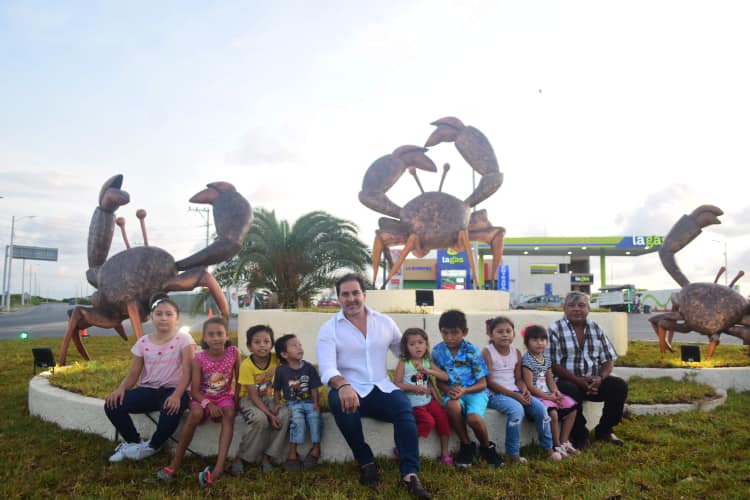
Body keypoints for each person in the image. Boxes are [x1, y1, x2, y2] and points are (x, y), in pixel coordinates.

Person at [316, 273, 431, 498]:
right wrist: (342, 386)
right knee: (339, 403)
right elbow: (327, 369)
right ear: (339, 298)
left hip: (382, 387)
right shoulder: (329, 329)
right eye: (345, 294)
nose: (351, 298)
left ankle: (410, 474)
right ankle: (366, 463)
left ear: (364, 295)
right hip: (351, 389)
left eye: (355, 293)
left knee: (403, 409)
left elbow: (404, 352)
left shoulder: (384, 322)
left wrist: (426, 367)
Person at [104, 293, 195, 462]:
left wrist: (176, 395)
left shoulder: (184, 339)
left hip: (174, 390)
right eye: (159, 314)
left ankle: (153, 446)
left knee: (171, 409)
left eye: (169, 314)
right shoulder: (143, 342)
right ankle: (134, 443)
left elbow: (188, 372)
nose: (163, 318)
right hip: (148, 389)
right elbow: (134, 373)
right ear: (151, 317)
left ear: (177, 318)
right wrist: (121, 389)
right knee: (112, 405)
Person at [156, 317, 241, 487]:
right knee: (195, 413)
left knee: (229, 413)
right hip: (202, 397)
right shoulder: (198, 359)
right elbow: (194, 391)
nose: (216, 338)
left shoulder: (233, 353)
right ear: (204, 338)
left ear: (226, 336)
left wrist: (236, 402)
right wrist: (208, 404)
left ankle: (219, 466)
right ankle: (175, 462)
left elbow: (239, 381)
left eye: (219, 334)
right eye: (211, 334)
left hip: (225, 397)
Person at [548, 291, 629, 449]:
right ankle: (580, 435)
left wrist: (601, 378)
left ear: (588, 308)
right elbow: (553, 365)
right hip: (568, 381)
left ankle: (604, 431)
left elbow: (608, 358)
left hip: (594, 382)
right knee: (569, 389)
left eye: (581, 305)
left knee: (618, 386)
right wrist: (578, 381)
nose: (576, 309)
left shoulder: (595, 328)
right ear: (564, 308)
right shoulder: (555, 329)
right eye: (571, 306)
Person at [482, 317, 563, 464]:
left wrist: (524, 390)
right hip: (495, 394)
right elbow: (490, 382)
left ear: (514, 334)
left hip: (516, 392)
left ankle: (548, 448)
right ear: (491, 335)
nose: (505, 334)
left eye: (508, 331)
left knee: (541, 410)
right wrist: (514, 395)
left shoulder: (516, 352)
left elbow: (518, 379)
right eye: (499, 332)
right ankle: (514, 454)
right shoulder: (487, 352)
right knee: (516, 411)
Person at [431, 309, 504, 469]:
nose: (449, 338)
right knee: (452, 406)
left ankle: (486, 447)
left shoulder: (472, 351)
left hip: (475, 392)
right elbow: (438, 380)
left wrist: (465, 391)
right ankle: (466, 445)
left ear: (465, 332)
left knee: (474, 419)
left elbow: (483, 383)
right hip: (452, 394)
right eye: (445, 333)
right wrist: (447, 389)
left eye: (455, 333)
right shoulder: (437, 352)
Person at [231, 324, 290, 474]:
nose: (262, 345)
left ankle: (266, 457)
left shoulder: (276, 359)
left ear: (272, 344)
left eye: (266, 341)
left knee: (284, 414)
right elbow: (253, 396)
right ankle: (241, 457)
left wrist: (277, 404)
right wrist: (270, 415)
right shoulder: (247, 365)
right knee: (260, 419)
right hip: (249, 400)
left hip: (269, 399)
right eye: (257, 342)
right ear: (249, 347)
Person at [393, 328, 453, 465]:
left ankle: (444, 454)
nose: (417, 346)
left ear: (426, 344)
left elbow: (445, 376)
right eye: (412, 344)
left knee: (443, 418)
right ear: (406, 348)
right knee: (428, 422)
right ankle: (402, 447)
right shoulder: (404, 363)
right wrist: (415, 388)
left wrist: (428, 370)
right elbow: (396, 384)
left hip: (429, 401)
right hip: (414, 404)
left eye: (420, 342)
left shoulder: (427, 362)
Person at [520, 324, 580, 458]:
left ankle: (564, 441)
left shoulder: (546, 359)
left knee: (572, 409)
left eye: (542, 340)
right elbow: (530, 386)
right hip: (537, 396)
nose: (539, 343)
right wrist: (549, 398)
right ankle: (556, 445)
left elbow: (550, 379)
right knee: (552, 414)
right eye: (535, 340)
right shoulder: (527, 360)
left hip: (548, 394)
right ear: (526, 343)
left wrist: (556, 391)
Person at [273, 333, 323, 471]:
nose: (299, 348)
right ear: (284, 354)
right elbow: (276, 389)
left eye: (300, 345)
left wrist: (316, 403)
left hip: (308, 402)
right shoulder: (281, 371)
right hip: (292, 403)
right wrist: (277, 403)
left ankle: (316, 448)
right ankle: (292, 452)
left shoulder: (308, 367)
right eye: (294, 346)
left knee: (315, 418)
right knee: (297, 421)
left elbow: (313, 387)